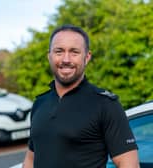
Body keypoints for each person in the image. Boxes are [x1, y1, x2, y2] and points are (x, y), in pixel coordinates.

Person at [23, 24, 140, 168]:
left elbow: (129, 164)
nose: (66, 59)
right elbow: (30, 159)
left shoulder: (105, 104)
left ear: (87, 57)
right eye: (59, 51)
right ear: (49, 56)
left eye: (74, 52)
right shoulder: (40, 103)